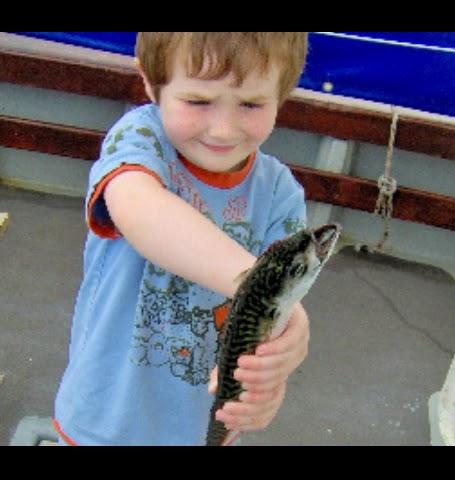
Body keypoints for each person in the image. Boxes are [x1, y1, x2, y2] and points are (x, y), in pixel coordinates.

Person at [54, 32, 310, 446]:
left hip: (202, 430)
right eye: (198, 101)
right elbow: (137, 206)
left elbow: (276, 317)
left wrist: (284, 357)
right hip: (103, 419)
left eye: (251, 104)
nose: (223, 130)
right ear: (151, 83)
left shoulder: (280, 194)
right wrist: (256, 285)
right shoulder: (140, 140)